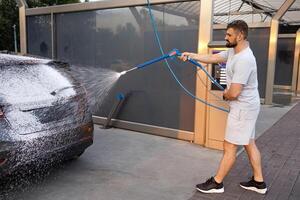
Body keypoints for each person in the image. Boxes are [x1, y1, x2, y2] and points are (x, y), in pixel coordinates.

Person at [179, 20, 267, 194]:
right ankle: (259, 182)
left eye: (229, 34)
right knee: (249, 143)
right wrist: (192, 55)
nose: (225, 37)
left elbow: (233, 93)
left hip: (243, 109)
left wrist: (226, 94)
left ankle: (217, 183)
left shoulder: (245, 59)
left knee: (229, 147)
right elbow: (214, 57)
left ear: (240, 35)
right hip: (246, 107)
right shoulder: (235, 51)